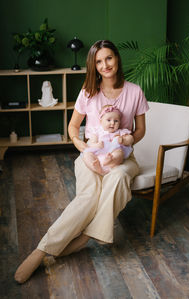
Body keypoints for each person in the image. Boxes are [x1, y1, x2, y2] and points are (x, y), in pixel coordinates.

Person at [14, 40, 149, 284]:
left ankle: (85, 238)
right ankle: (42, 250)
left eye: (108, 58)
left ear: (117, 59)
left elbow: (141, 130)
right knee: (88, 197)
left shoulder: (135, 91)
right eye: (99, 61)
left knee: (118, 178)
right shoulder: (88, 92)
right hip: (92, 156)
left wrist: (129, 139)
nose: (104, 65)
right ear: (93, 66)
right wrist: (84, 148)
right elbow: (73, 127)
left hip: (123, 156)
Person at [82, 104, 134, 175]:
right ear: (101, 121)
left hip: (113, 152)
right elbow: (91, 144)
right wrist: (96, 145)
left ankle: (111, 161)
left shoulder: (120, 132)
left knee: (120, 153)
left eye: (116, 121)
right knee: (87, 155)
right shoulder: (97, 132)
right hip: (98, 154)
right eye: (108, 120)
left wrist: (123, 140)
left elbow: (131, 139)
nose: (112, 123)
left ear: (119, 122)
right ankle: (97, 168)